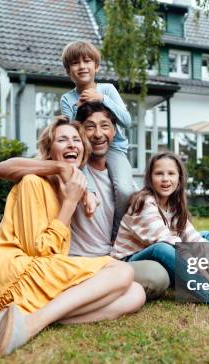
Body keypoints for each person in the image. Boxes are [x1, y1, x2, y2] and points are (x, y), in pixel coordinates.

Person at [0, 116, 146, 355]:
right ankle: (30, 325)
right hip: (15, 276)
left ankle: (15, 319)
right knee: (123, 271)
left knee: (136, 294)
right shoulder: (33, 182)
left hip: (38, 276)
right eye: (63, 140)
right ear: (49, 150)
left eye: (76, 140)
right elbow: (39, 251)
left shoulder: (68, 187)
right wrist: (70, 201)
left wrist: (77, 195)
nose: (72, 144)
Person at [0, 102, 170, 300]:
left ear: (114, 132)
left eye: (105, 126)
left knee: (162, 259)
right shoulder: (65, 172)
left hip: (110, 259)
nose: (97, 134)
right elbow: (3, 169)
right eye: (89, 127)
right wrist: (59, 167)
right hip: (73, 262)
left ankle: (204, 275)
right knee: (157, 276)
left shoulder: (121, 179)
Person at [111, 152, 209, 305]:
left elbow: (194, 240)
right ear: (150, 178)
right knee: (164, 248)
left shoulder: (174, 205)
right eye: (159, 173)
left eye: (171, 173)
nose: (165, 179)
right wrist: (206, 278)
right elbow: (174, 246)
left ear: (179, 178)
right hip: (131, 261)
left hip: (162, 256)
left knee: (205, 237)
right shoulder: (144, 203)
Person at [60, 40, 134, 239]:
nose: (82, 66)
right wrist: (78, 108)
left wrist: (103, 100)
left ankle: (117, 235)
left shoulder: (107, 89)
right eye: (75, 63)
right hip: (85, 148)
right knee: (83, 183)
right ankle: (89, 200)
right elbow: (71, 131)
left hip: (114, 148)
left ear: (96, 66)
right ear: (68, 71)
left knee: (126, 190)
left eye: (87, 61)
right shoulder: (67, 99)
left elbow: (126, 121)